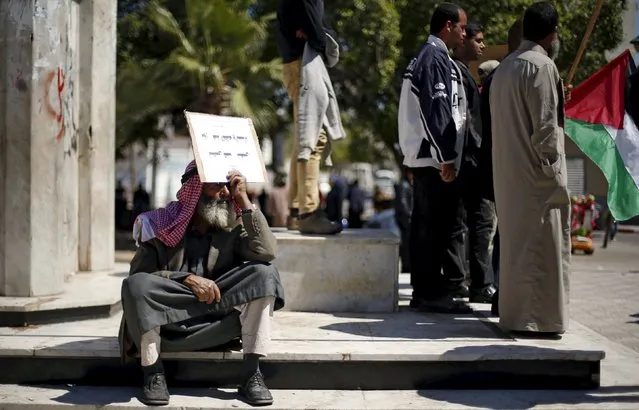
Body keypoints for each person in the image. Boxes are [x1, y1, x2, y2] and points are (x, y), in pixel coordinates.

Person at [118, 161, 286, 406]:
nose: (225, 193)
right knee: (136, 287)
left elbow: (267, 251)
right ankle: (153, 373)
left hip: (215, 320)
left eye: (228, 186)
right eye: (217, 186)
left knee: (265, 273)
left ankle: (251, 374)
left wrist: (245, 201)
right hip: (168, 323)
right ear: (194, 189)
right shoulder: (163, 226)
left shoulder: (234, 226)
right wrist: (184, 279)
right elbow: (138, 278)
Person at [489, 1, 570, 337]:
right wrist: (553, 173)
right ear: (552, 33)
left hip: (508, 176)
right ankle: (537, 321)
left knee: (515, 251)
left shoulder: (504, 68)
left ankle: (514, 316)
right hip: (536, 179)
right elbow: (546, 129)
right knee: (540, 250)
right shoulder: (542, 67)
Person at [397, 2, 469, 313]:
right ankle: (428, 293)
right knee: (431, 228)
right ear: (448, 26)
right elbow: (435, 111)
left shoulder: (431, 57)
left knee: (428, 226)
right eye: (462, 27)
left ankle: (428, 290)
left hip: (428, 158)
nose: (464, 34)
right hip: (432, 160)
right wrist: (446, 158)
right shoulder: (434, 57)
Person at [276, 0, 345, 235]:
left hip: (298, 61)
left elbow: (318, 28)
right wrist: (320, 37)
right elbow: (317, 29)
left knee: (304, 137)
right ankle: (309, 211)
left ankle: (297, 211)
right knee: (314, 137)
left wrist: (319, 34)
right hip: (302, 62)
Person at [480, 18, 524, 317]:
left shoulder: (503, 74)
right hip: (508, 167)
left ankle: (503, 294)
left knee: (505, 235)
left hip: (502, 167)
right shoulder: (507, 75)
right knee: (507, 235)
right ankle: (504, 295)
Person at [452, 22, 496, 303]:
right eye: (477, 40)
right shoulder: (459, 74)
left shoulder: (462, 75)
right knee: (480, 223)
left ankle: (468, 281)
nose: (481, 45)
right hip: (472, 165)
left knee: (470, 225)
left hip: (467, 163)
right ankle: (477, 284)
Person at [394, 168, 413, 273]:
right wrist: (410, 215)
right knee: (406, 245)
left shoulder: (407, 185)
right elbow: (403, 204)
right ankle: (406, 266)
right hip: (406, 221)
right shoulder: (404, 186)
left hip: (406, 220)